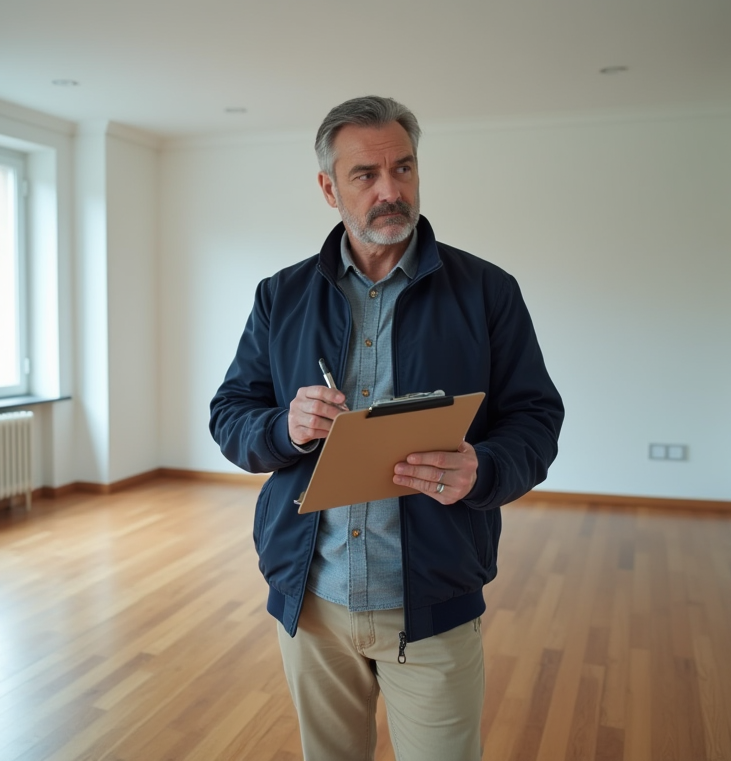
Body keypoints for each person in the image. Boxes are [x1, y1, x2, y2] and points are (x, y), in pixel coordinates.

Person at [209, 95, 564, 760]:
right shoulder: (279, 296)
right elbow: (230, 415)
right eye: (365, 176)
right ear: (327, 188)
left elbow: (537, 420)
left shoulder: (489, 293)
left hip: (432, 605)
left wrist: (481, 470)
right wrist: (283, 425)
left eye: (403, 169)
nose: (390, 191)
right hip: (311, 605)